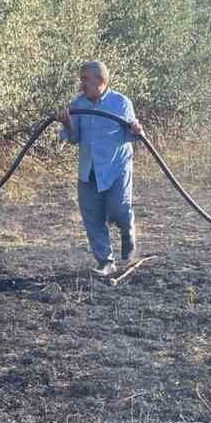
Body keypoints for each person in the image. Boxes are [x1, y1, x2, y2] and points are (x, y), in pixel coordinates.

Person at [57, 60, 144, 278]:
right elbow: (73, 138)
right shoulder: (77, 104)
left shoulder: (121, 103)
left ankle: (127, 229)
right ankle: (106, 262)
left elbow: (132, 135)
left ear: (101, 80)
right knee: (92, 218)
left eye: (86, 79)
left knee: (119, 209)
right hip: (89, 170)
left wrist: (136, 129)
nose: (82, 84)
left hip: (116, 167)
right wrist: (67, 123)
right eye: (82, 79)